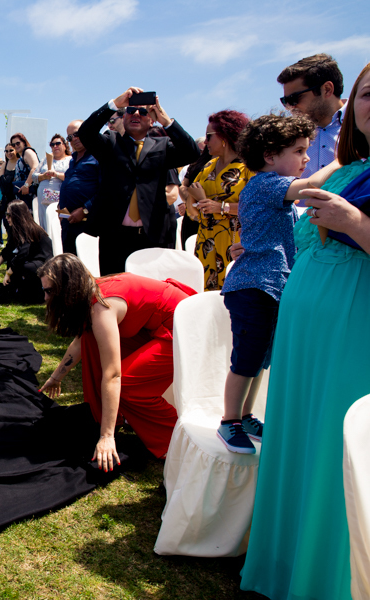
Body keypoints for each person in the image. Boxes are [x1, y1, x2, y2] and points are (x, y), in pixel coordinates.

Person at [239, 61, 370, 600]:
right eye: (369, 94)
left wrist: (355, 224)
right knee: (296, 438)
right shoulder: (344, 167)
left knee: (333, 450)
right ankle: (283, 565)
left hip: (351, 330)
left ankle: (324, 581)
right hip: (303, 331)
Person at [217, 114, 339, 453]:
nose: (305, 159)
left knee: (259, 360)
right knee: (246, 359)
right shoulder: (266, 183)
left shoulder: (273, 190)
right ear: (269, 155)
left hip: (270, 287)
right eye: (299, 151)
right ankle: (229, 421)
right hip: (253, 287)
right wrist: (340, 161)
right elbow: (312, 186)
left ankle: (244, 415)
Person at [38, 254, 196, 466]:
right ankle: (104, 416)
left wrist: (106, 437)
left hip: (185, 329)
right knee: (90, 338)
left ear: (68, 288)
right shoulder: (90, 293)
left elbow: (113, 375)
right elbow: (79, 344)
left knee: (128, 385)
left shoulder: (101, 307)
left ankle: (178, 442)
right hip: (156, 326)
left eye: (49, 291)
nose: (46, 298)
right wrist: (56, 378)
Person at [77, 87, 199, 275]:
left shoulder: (163, 146)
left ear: (151, 120)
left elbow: (192, 152)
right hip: (115, 236)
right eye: (130, 110)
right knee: (115, 290)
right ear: (123, 116)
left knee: (151, 293)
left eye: (143, 111)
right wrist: (114, 104)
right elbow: (86, 133)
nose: (136, 114)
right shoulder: (111, 142)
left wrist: (167, 121)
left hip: (154, 236)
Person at [185, 110, 252, 290]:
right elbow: (192, 208)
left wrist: (221, 207)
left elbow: (258, 206)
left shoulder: (249, 167)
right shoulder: (208, 166)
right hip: (206, 240)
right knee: (207, 295)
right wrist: (197, 201)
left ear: (225, 136)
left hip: (235, 241)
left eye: (209, 136)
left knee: (234, 294)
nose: (205, 142)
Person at [278, 53, 347, 177]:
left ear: (327, 89)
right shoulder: (287, 137)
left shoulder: (362, 124)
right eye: (285, 101)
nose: (289, 107)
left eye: (294, 98)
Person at [0, 200, 54, 301]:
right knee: (12, 260)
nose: (6, 218)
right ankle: (17, 287)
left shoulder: (29, 229)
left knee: (21, 266)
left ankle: (32, 292)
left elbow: (23, 253)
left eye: (9, 215)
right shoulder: (16, 229)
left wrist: (8, 273)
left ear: (17, 215)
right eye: (6, 214)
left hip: (44, 264)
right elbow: (8, 249)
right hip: (33, 260)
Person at [59, 120, 99, 256]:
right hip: (68, 222)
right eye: (70, 137)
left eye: (77, 134)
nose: (74, 139)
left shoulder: (98, 156)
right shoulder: (73, 159)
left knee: (84, 265)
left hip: (86, 223)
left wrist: (85, 209)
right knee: (69, 264)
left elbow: (104, 189)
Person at [31, 133, 72, 233]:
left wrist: (56, 174)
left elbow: (72, 177)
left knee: (58, 222)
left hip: (61, 196)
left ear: (65, 145)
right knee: (45, 221)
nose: (55, 146)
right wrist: (43, 176)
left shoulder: (70, 160)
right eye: (52, 144)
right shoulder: (46, 159)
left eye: (58, 143)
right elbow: (34, 175)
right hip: (44, 196)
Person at [0, 144, 18, 247]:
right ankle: (10, 245)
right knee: (6, 222)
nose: (9, 153)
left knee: (17, 224)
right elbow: (0, 177)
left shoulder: (19, 162)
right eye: (6, 151)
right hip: (6, 198)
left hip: (16, 198)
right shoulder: (5, 164)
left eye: (11, 150)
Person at [12, 133, 40, 211]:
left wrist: (26, 185)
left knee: (29, 219)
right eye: (13, 145)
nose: (16, 146)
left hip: (30, 193)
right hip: (23, 193)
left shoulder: (27, 151)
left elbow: (35, 167)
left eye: (18, 143)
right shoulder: (21, 156)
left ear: (23, 142)